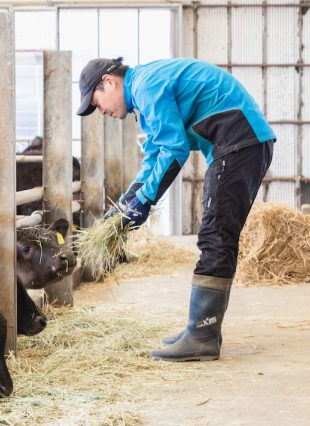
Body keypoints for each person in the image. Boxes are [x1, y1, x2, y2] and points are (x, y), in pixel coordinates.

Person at [76, 57, 275, 362]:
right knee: (217, 232)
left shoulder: (146, 87)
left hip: (239, 142)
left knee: (216, 233)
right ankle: (203, 330)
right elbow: (156, 154)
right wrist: (126, 204)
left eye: (97, 102)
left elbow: (175, 149)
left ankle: (202, 336)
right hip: (239, 143)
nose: (101, 112)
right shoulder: (144, 91)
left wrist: (145, 201)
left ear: (109, 82)